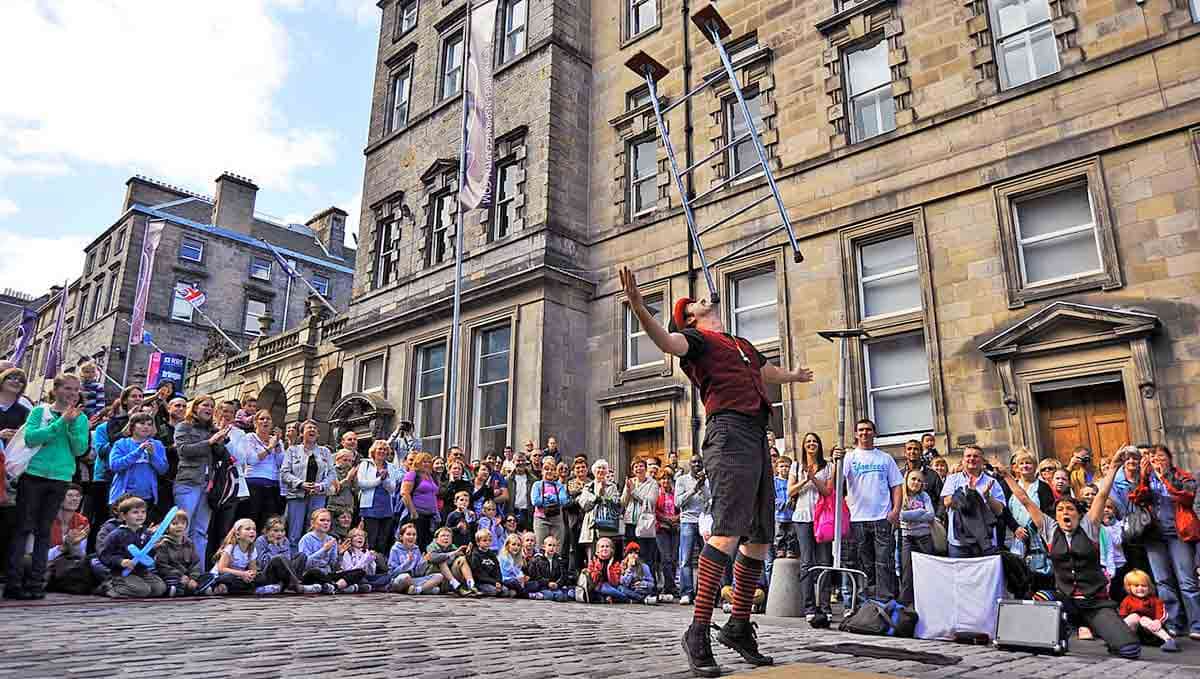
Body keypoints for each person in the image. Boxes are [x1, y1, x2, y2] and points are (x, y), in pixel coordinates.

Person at [622, 266, 815, 675]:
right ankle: (697, 630)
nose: (702, 297)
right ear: (690, 316)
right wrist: (641, 310)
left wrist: (793, 376)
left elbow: (766, 372)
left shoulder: (740, 343)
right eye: (691, 302)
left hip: (757, 434)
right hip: (727, 433)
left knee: (760, 539)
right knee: (727, 531)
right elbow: (667, 341)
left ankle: (740, 624)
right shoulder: (695, 339)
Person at [1004, 456, 1142, 658]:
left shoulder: (1089, 527)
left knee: (1130, 650)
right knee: (1041, 598)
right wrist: (1007, 476)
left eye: (1069, 509)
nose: (1065, 513)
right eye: (1060, 510)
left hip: (1094, 602)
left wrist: (1113, 468)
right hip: (1066, 600)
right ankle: (1058, 633)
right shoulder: (1050, 529)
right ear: (1056, 516)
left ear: (1078, 514)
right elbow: (1024, 499)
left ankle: (1102, 629)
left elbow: (1102, 494)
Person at [4, 373, 88, 600]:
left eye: (75, 389)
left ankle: (36, 583)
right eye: (68, 388)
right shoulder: (39, 411)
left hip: (60, 477)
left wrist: (70, 425)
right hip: (33, 475)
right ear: (57, 389)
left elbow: (80, 449)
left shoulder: (80, 418)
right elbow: (31, 438)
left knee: (44, 530)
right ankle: (13, 582)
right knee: (23, 527)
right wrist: (61, 422)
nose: (72, 394)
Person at [1131, 444, 1200, 638]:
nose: (1156, 461)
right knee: (1162, 581)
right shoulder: (1145, 479)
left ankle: (1197, 624)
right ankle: (1174, 623)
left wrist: (1164, 478)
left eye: (1160, 457)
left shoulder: (1181, 476)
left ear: (1169, 458)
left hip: (1179, 533)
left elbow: (1186, 497)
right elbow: (1136, 498)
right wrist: (1144, 478)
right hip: (1154, 535)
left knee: (1187, 580)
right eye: (1153, 458)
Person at [833, 419, 902, 601]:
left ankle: (885, 599)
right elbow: (836, 482)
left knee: (884, 562)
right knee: (864, 563)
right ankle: (867, 600)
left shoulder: (885, 458)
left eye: (868, 430)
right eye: (861, 430)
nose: (865, 433)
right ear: (856, 434)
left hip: (881, 517)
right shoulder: (850, 457)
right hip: (858, 518)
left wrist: (895, 510)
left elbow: (896, 486)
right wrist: (836, 462)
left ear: (874, 433)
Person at [173, 395, 226, 571]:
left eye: (212, 406)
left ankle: (198, 572)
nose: (209, 409)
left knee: (201, 531)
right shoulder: (184, 426)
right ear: (195, 407)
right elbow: (183, 450)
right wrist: (209, 442)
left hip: (207, 485)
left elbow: (221, 455)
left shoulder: (213, 430)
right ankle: (179, 572)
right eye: (205, 405)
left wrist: (220, 440)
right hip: (188, 482)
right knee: (183, 529)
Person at [940, 445, 1006, 558]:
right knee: (960, 576)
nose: (971, 459)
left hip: (985, 543)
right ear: (963, 460)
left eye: (976, 456)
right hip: (958, 544)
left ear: (982, 461)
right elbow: (947, 502)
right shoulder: (952, 479)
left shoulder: (992, 481)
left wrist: (987, 497)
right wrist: (969, 494)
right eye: (968, 456)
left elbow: (999, 511)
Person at [280, 420, 336, 549]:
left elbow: (332, 473)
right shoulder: (292, 450)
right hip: (297, 495)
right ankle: (294, 560)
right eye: (308, 428)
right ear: (301, 434)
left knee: (315, 530)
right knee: (295, 531)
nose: (312, 430)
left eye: (314, 428)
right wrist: (300, 484)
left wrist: (321, 486)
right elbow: (284, 473)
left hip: (318, 496)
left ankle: (312, 559)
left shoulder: (325, 452)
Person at [213, 518, 304, 595]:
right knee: (229, 578)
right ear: (237, 534)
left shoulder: (251, 548)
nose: (252, 531)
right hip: (227, 576)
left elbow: (254, 569)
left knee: (257, 578)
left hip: (242, 577)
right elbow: (222, 569)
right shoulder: (231, 547)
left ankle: (287, 584)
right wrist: (243, 574)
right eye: (248, 529)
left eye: (254, 529)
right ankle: (291, 585)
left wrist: (251, 575)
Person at [98, 496, 167, 598]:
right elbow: (105, 554)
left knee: (159, 588)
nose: (140, 515)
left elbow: (148, 556)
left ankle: (135, 588)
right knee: (143, 590)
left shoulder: (146, 533)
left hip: (141, 571)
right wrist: (120, 561)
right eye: (135, 512)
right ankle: (110, 587)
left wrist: (154, 548)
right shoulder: (116, 534)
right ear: (123, 515)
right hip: (122, 573)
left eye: (143, 512)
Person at [234, 410, 285, 532]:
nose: (265, 421)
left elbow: (281, 463)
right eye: (262, 419)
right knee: (251, 519)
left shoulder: (277, 441)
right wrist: (270, 447)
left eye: (268, 419)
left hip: (273, 485)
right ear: (255, 422)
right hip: (253, 484)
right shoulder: (249, 437)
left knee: (268, 522)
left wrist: (277, 446)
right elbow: (252, 460)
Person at [107, 413, 168, 509]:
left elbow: (163, 469)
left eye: (149, 424)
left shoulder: (157, 444)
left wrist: (153, 455)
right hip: (123, 498)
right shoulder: (121, 443)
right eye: (142, 423)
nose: (146, 427)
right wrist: (138, 451)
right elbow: (115, 466)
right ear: (132, 426)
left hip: (148, 498)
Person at [675, 455, 710, 606]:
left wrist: (702, 488)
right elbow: (678, 502)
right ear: (689, 464)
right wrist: (693, 489)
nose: (697, 464)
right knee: (685, 559)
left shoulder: (708, 480)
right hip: (687, 521)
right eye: (694, 462)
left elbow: (710, 500)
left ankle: (703, 593)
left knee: (706, 559)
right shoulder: (682, 480)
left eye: (699, 462)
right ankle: (686, 592)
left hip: (704, 521)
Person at [155, 510, 215, 596]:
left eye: (182, 523)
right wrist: (180, 576)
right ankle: (178, 589)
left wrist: (192, 578)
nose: (179, 526)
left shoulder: (189, 543)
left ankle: (193, 588)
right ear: (167, 527)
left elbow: (195, 563)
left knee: (208, 576)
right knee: (170, 580)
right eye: (175, 524)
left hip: (188, 576)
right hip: (172, 575)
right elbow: (162, 565)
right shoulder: (163, 544)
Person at [898, 469, 936, 606]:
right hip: (907, 538)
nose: (916, 482)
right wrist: (921, 512)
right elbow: (901, 515)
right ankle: (904, 605)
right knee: (907, 574)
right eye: (913, 479)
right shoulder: (901, 496)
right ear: (907, 480)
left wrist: (912, 516)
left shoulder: (924, 496)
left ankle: (929, 602)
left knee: (928, 572)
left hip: (925, 538)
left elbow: (931, 515)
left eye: (919, 480)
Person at [355, 440, 399, 554]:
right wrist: (379, 480)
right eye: (380, 449)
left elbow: (392, 488)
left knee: (382, 540)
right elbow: (362, 484)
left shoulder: (391, 467)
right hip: (370, 507)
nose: (382, 451)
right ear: (373, 451)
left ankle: (379, 565)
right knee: (371, 538)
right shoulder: (365, 464)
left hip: (386, 507)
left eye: (385, 449)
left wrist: (385, 480)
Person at [1119, 568, 1179, 651]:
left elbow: (1162, 613)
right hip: (1135, 634)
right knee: (1134, 617)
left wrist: (1158, 621)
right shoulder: (1127, 600)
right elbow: (1122, 616)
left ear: (1149, 587)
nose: (1140, 588)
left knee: (1144, 619)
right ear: (1129, 587)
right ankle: (1118, 638)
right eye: (1136, 586)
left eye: (1143, 585)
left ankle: (1169, 640)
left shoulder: (1155, 600)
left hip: (1152, 631)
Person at [578, 459, 621, 561]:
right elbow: (585, 506)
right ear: (594, 471)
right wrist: (597, 496)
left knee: (608, 556)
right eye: (599, 468)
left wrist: (604, 495)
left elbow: (616, 503)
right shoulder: (588, 487)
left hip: (607, 525)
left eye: (603, 468)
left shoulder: (612, 486)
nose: (601, 470)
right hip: (591, 527)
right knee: (592, 558)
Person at [622, 458, 659, 570]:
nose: (638, 468)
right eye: (635, 466)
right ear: (633, 470)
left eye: (641, 466)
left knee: (646, 556)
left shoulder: (652, 483)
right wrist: (628, 491)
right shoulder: (631, 482)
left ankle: (649, 583)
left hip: (644, 524)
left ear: (645, 468)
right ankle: (633, 581)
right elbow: (623, 502)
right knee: (631, 555)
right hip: (630, 523)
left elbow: (650, 501)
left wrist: (633, 491)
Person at [296, 508, 345, 593]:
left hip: (327, 574)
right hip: (311, 573)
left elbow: (333, 566)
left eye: (328, 521)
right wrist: (324, 550)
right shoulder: (306, 539)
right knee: (316, 572)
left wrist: (339, 554)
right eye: (322, 520)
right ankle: (338, 586)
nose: (326, 523)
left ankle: (332, 586)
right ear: (313, 523)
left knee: (359, 572)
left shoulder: (331, 539)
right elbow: (305, 564)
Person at [388, 522, 444, 594]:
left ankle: (417, 590)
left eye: (414, 535)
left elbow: (418, 573)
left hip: (413, 579)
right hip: (399, 580)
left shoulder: (416, 549)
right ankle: (422, 588)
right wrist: (407, 563)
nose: (411, 537)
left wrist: (423, 562)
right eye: (408, 534)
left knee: (439, 576)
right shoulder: (395, 549)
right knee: (406, 577)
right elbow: (392, 573)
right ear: (401, 537)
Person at [400, 452, 440, 550]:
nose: (426, 464)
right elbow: (405, 493)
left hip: (430, 516)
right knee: (415, 543)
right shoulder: (412, 474)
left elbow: (434, 495)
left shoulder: (431, 477)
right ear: (418, 462)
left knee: (427, 544)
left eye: (429, 462)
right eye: (424, 462)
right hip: (417, 515)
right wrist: (413, 512)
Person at [532, 457, 570, 549]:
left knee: (557, 548)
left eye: (552, 469)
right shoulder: (537, 485)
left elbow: (564, 500)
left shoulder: (559, 486)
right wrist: (553, 499)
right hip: (541, 519)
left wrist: (549, 497)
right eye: (546, 469)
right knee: (540, 547)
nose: (549, 471)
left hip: (557, 520)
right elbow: (535, 501)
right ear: (542, 471)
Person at [426, 526, 475, 596]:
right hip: (436, 580)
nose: (446, 538)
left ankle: (471, 585)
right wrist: (454, 553)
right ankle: (456, 586)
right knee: (441, 560)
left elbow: (462, 561)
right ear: (436, 539)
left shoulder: (453, 547)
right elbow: (433, 558)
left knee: (462, 559)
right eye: (443, 536)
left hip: (449, 580)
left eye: (448, 536)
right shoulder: (431, 546)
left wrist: (468, 555)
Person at [655, 467, 680, 603]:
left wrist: (677, 517)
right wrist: (666, 519)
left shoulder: (676, 493)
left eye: (668, 479)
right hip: (662, 528)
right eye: (663, 478)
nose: (666, 481)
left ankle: (670, 586)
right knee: (666, 558)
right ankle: (669, 586)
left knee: (674, 558)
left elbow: (682, 507)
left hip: (675, 528)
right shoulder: (657, 493)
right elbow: (654, 510)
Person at [527, 534, 575, 601]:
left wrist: (557, 583)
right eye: (549, 545)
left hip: (555, 586)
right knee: (549, 596)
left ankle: (567, 592)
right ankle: (536, 594)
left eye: (554, 546)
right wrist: (547, 583)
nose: (552, 548)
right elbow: (536, 575)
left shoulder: (559, 560)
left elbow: (563, 575)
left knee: (560, 597)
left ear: (557, 548)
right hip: (543, 586)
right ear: (544, 547)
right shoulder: (538, 559)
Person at [563, 456, 590, 573]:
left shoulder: (591, 482)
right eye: (578, 468)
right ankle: (577, 574)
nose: (580, 470)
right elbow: (565, 503)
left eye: (583, 467)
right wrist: (578, 498)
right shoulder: (569, 483)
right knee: (576, 549)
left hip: (589, 520)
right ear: (574, 470)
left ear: (587, 469)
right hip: (574, 520)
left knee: (588, 549)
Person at [466, 528, 505, 596]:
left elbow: (497, 570)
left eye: (489, 540)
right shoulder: (476, 555)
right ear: (478, 542)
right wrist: (494, 582)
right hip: (482, 582)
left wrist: (498, 581)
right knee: (494, 591)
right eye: (484, 540)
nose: (487, 542)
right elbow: (479, 574)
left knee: (506, 591)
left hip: (494, 582)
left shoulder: (492, 555)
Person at [505, 451, 537, 531]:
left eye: (523, 460)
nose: (521, 463)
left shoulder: (533, 480)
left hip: (528, 512)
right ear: (513, 462)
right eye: (518, 460)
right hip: (513, 511)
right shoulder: (507, 480)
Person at [498, 532, 528, 597]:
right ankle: (526, 594)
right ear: (507, 545)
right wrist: (518, 579)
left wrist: (522, 577)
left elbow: (519, 572)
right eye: (513, 544)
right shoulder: (503, 557)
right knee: (514, 582)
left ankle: (518, 592)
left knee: (534, 583)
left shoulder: (518, 558)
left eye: (518, 545)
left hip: (515, 580)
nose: (516, 547)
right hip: (505, 579)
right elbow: (502, 574)